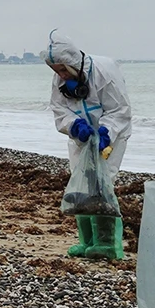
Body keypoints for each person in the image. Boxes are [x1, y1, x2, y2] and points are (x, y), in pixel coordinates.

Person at [40, 30, 132, 260]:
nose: (60, 75)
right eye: (56, 71)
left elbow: (120, 110)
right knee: (80, 184)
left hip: (110, 135)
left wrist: (105, 132)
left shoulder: (105, 72)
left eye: (63, 69)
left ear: (73, 63)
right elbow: (60, 110)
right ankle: (87, 242)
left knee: (102, 185)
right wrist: (74, 126)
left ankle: (107, 244)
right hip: (81, 138)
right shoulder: (60, 80)